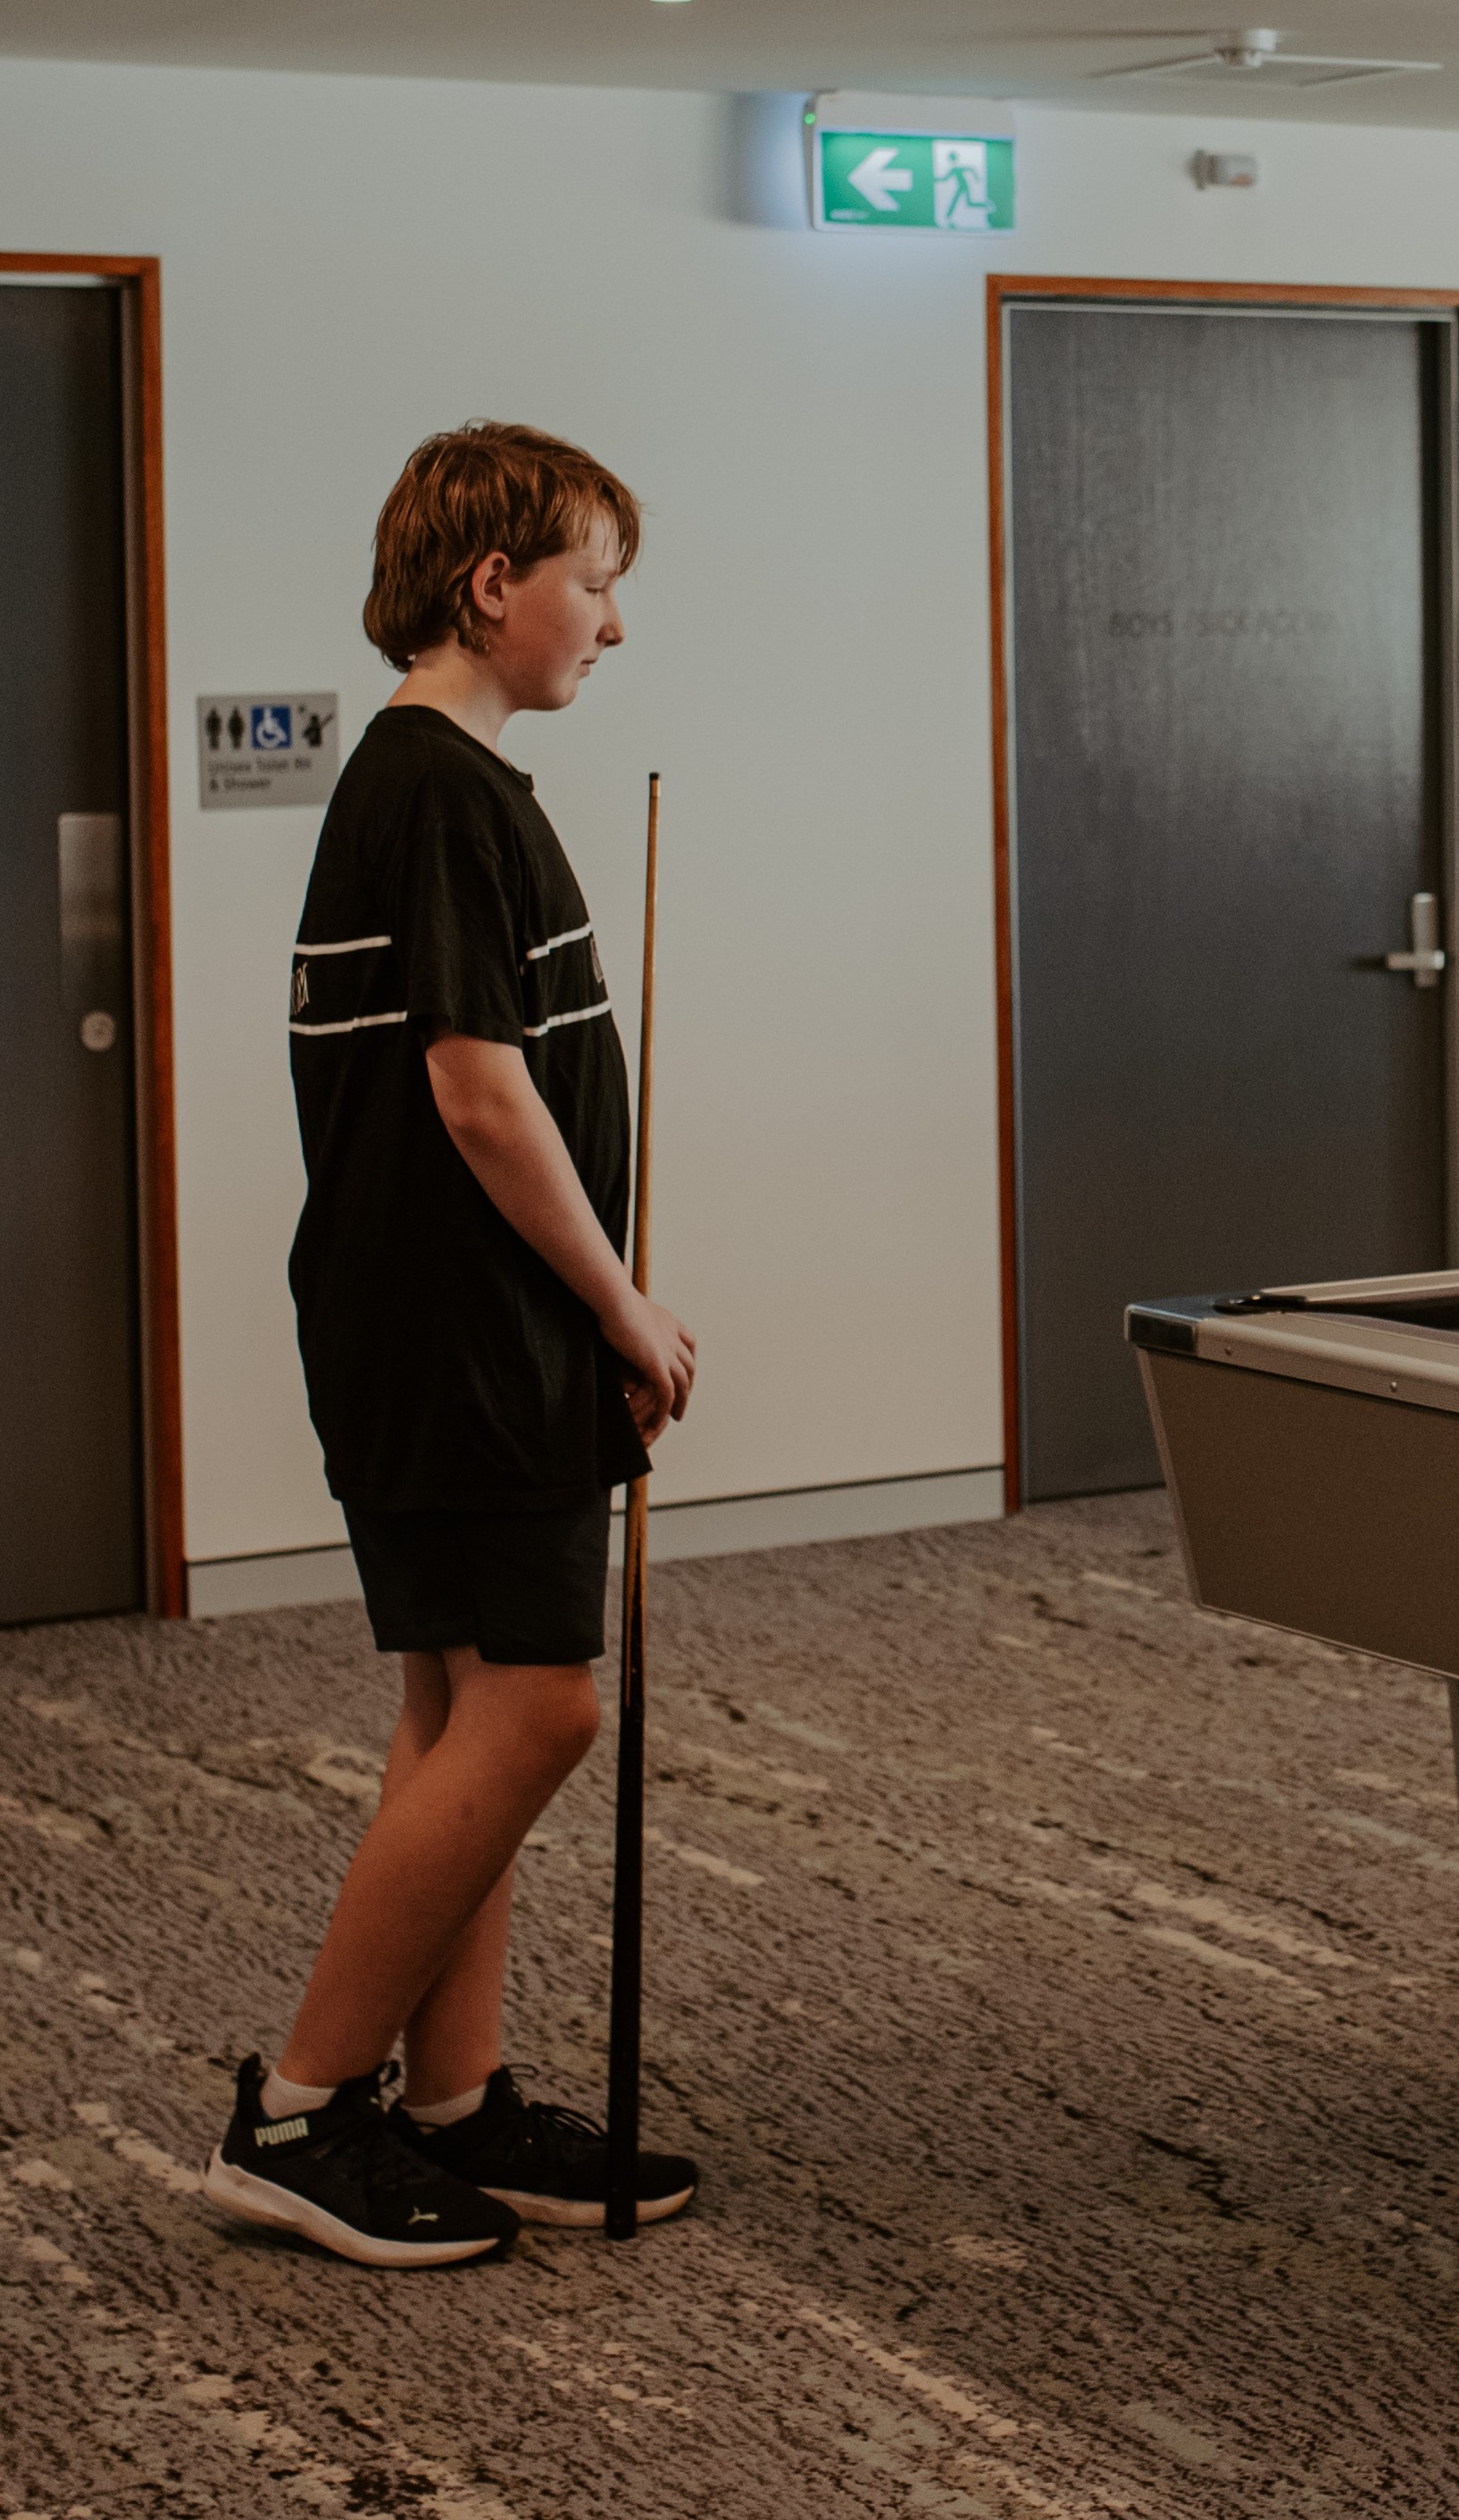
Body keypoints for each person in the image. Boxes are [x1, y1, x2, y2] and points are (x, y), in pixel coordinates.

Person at [205, 424, 703, 2264]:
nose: (613, 624)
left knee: (455, 1707)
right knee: (541, 1702)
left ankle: (452, 2098)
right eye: (595, 578)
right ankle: (301, 2108)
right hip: (465, 1332)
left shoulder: (440, 778)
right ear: (494, 585)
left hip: (431, 1327)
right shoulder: (430, 786)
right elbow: (481, 1095)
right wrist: (618, 1301)